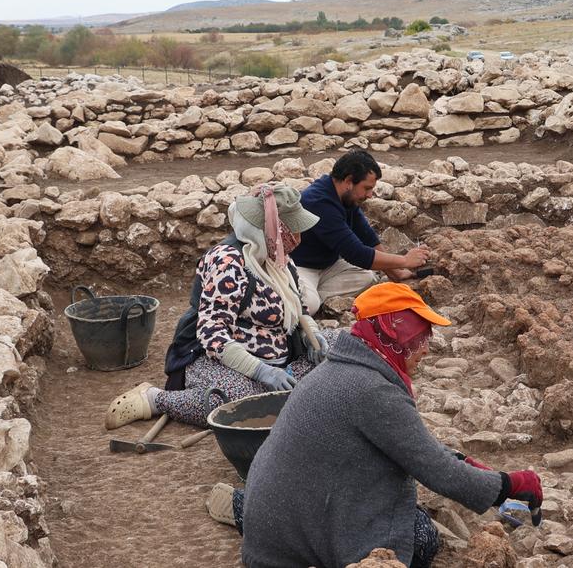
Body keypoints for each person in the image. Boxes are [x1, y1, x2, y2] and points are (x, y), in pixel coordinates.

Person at [205, 283, 542, 568]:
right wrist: (509, 485)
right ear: (393, 331)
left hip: (270, 523)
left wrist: (472, 467)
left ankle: (242, 507)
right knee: (421, 536)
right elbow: (436, 470)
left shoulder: (340, 368)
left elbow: (414, 444)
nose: (426, 349)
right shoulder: (372, 389)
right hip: (283, 553)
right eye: (420, 336)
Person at [104, 183, 336, 430]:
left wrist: (313, 338)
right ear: (271, 230)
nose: (298, 238)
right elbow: (212, 335)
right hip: (221, 361)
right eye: (293, 230)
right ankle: (155, 399)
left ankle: (283, 390)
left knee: (339, 350)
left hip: (280, 358)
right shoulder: (227, 263)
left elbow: (297, 308)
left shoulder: (277, 258)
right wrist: (262, 372)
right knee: (238, 401)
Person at [289, 149, 431, 313]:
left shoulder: (344, 196)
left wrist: (395, 272)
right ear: (349, 181)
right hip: (300, 266)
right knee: (307, 304)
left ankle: (315, 296)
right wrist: (405, 260)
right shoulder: (318, 202)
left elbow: (367, 237)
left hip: (328, 266)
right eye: (367, 188)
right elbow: (356, 254)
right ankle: (312, 300)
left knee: (367, 277)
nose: (370, 195)